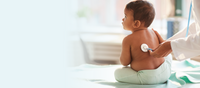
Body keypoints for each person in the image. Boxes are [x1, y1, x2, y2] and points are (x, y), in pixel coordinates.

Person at [114, 1, 171, 84]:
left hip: (147, 78)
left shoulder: (128, 40)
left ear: (136, 23)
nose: (123, 19)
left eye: (125, 16)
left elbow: (124, 63)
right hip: (165, 73)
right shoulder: (154, 32)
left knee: (118, 73)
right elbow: (164, 45)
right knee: (168, 56)